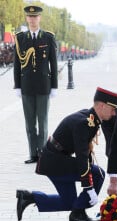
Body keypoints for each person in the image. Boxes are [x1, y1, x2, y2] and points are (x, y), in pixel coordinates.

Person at [16, 87, 117, 221]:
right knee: (99, 174)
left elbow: (85, 153)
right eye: (113, 109)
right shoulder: (84, 123)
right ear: (101, 106)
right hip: (55, 162)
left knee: (69, 202)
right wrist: (89, 187)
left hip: (55, 159)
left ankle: (28, 197)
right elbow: (81, 156)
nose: (114, 113)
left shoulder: (91, 119)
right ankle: (78, 213)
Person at [13, 5, 58, 164]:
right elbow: (17, 64)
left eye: (35, 17)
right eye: (30, 17)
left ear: (39, 18)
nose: (32, 19)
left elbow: (53, 62)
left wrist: (54, 87)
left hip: (43, 86)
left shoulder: (48, 37)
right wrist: (17, 86)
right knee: (30, 123)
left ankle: (42, 154)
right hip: (26, 87)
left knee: (43, 122)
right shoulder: (20, 38)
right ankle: (33, 154)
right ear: (27, 18)